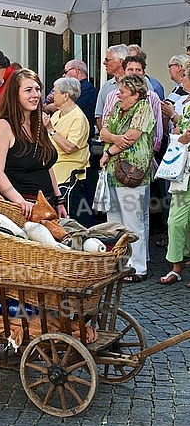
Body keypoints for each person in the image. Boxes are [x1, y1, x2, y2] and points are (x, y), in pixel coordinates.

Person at [100, 75, 155, 283]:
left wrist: (108, 152)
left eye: (123, 92)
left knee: (133, 221)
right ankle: (118, 264)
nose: (119, 95)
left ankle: (138, 267)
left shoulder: (143, 108)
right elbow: (104, 131)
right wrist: (114, 139)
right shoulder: (117, 106)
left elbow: (131, 137)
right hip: (114, 173)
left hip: (132, 173)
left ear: (135, 93)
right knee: (113, 219)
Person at [0, 68, 66, 219]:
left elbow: (46, 164)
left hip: (46, 205)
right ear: (15, 94)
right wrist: (21, 201)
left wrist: (59, 200)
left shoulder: (39, 123)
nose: (35, 95)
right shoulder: (4, 125)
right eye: (28, 90)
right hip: (19, 208)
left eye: (37, 89)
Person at [44, 76, 91, 227]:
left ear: (66, 95)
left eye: (55, 92)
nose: (52, 95)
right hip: (52, 172)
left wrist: (51, 129)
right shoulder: (58, 113)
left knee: (68, 220)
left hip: (68, 176)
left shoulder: (78, 118)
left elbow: (70, 147)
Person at [159, 62, 190, 287]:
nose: (182, 80)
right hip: (183, 171)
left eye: (185, 75)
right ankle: (176, 266)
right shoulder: (185, 103)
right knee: (175, 221)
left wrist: (182, 131)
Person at [102, 55, 163, 154]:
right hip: (112, 153)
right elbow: (104, 126)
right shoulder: (112, 96)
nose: (134, 73)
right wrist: (114, 140)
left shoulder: (152, 97)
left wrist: (152, 152)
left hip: (140, 154)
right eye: (130, 69)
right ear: (124, 72)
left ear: (144, 73)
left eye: (138, 70)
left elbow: (158, 129)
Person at [44, 59, 97, 142]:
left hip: (77, 140)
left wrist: (48, 107)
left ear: (76, 71)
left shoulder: (86, 89)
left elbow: (63, 107)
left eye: (66, 71)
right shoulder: (62, 86)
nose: (63, 75)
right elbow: (46, 104)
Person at [95, 44, 128, 131]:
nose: (104, 62)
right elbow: (99, 116)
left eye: (107, 59)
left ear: (120, 62)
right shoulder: (106, 86)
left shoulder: (139, 84)